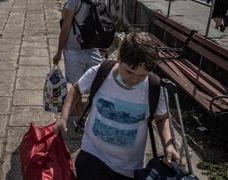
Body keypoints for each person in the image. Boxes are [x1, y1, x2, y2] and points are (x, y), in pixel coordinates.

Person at [54, 32, 180, 179]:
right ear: (119, 59)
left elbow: (162, 118)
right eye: (130, 71)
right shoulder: (100, 72)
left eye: (142, 75)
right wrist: (63, 117)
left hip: (129, 168)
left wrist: (168, 144)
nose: (134, 79)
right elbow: (76, 89)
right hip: (92, 153)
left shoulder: (155, 87)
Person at [53, 0, 108, 120]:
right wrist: (59, 52)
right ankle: (78, 118)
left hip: (92, 48)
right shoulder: (74, 1)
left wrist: (103, 48)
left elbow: (103, 24)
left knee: (102, 78)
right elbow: (65, 28)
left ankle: (89, 109)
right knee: (77, 85)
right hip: (72, 49)